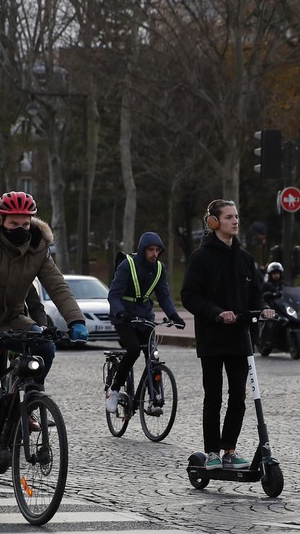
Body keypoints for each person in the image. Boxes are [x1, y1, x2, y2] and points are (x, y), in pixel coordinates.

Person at [0, 191, 88, 493]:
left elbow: (57, 285)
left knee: (45, 346)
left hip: (12, 317)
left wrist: (76, 320)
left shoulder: (39, 247)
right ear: (1, 220)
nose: (21, 229)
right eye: (14, 223)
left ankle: (28, 400)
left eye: (26, 223)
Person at [180, 199, 275, 471]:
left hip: (240, 339)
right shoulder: (201, 258)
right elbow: (189, 295)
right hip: (211, 339)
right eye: (229, 217)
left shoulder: (245, 258)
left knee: (238, 398)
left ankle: (229, 450)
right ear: (213, 222)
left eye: (237, 217)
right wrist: (216, 312)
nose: (235, 221)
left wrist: (265, 308)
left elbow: (256, 294)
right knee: (213, 398)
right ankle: (212, 452)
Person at [105, 232, 186, 413]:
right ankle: (115, 390)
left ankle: (153, 399)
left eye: (157, 250)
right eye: (150, 249)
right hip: (124, 316)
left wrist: (174, 316)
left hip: (145, 317)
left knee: (153, 356)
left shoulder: (159, 269)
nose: (154, 254)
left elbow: (164, 297)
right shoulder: (127, 265)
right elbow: (114, 294)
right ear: (142, 250)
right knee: (133, 350)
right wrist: (120, 312)